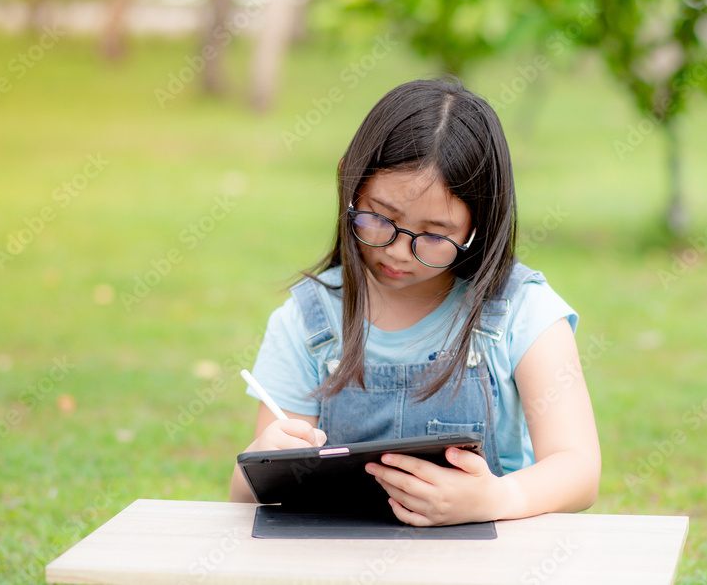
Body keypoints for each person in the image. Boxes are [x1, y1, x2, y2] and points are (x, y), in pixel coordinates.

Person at [229, 78, 600, 526]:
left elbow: (578, 468)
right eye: (380, 218)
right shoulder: (308, 319)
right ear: (351, 183)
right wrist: (263, 460)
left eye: (434, 235)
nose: (399, 251)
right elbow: (248, 493)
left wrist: (498, 500)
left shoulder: (524, 312)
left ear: (480, 224)